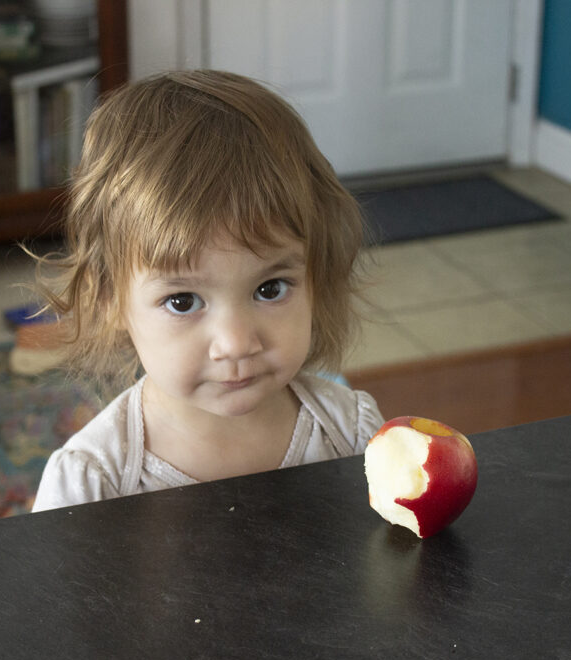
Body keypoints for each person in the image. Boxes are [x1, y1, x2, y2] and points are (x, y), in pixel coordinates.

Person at [30, 70, 384, 512]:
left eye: (270, 288)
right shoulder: (93, 484)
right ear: (109, 299)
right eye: (182, 301)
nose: (236, 343)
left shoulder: (352, 435)